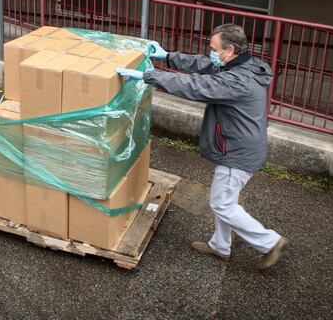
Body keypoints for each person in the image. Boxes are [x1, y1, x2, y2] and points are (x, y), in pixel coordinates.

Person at [116, 23, 288, 270]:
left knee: (222, 204)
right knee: (226, 199)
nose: (211, 53)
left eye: (214, 49)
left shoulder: (236, 81)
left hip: (237, 154)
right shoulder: (243, 64)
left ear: (229, 50)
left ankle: (270, 242)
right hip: (239, 145)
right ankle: (220, 245)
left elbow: (195, 86)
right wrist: (168, 57)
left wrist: (147, 76)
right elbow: (205, 66)